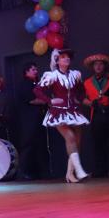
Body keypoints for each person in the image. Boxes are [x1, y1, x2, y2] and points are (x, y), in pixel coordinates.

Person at [33, 49, 89, 183]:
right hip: (58, 112)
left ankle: (70, 174)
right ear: (57, 61)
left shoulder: (75, 74)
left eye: (68, 57)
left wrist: (79, 98)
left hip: (73, 111)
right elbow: (37, 90)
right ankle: (79, 171)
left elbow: (81, 90)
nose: (66, 59)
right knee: (70, 137)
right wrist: (50, 101)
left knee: (77, 142)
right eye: (63, 57)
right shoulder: (52, 76)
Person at [82, 54, 109, 177]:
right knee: (98, 143)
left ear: (104, 66)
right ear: (92, 67)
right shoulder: (87, 82)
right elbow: (82, 99)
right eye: (96, 64)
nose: (98, 66)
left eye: (101, 64)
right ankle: (101, 171)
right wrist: (91, 103)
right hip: (96, 114)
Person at [16, 63, 49, 180]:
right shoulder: (25, 84)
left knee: (40, 145)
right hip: (29, 120)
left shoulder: (37, 83)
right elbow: (30, 100)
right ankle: (22, 172)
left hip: (38, 119)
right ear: (27, 71)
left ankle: (41, 173)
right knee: (28, 145)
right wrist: (47, 101)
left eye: (36, 69)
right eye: (33, 69)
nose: (36, 71)